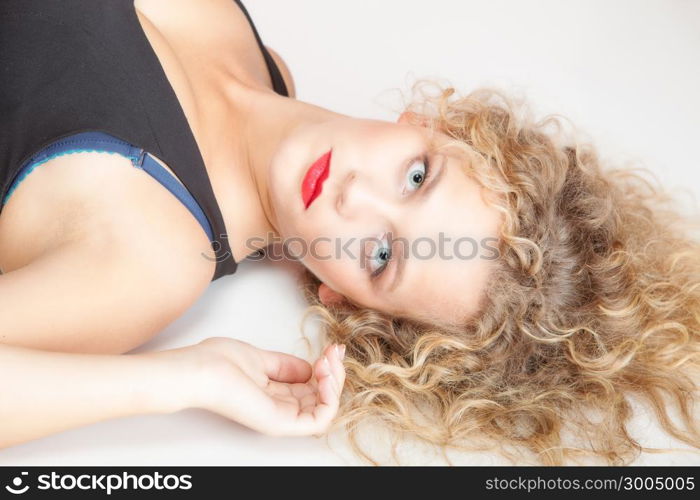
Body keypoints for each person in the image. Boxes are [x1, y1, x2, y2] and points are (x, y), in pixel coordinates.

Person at [0, 0, 698, 466]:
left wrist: (183, 379)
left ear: (342, 298)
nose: (355, 195)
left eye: (382, 253)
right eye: (418, 178)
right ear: (430, 127)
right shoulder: (266, 63)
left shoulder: (153, 254)